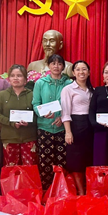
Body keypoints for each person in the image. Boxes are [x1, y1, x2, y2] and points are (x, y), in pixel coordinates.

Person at [32, 54, 72, 189]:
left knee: (62, 161)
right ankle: (46, 190)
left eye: (59, 64)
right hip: (45, 128)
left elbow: (71, 105)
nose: (56, 66)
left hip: (63, 129)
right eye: (53, 63)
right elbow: (35, 103)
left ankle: (61, 189)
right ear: (48, 66)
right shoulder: (40, 83)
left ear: (63, 66)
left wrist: (62, 117)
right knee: (45, 161)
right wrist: (42, 114)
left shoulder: (69, 84)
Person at [0, 65, 37, 166]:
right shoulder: (2, 95)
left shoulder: (33, 95)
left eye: (19, 75)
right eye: (12, 76)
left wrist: (29, 122)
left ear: (25, 79)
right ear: (9, 79)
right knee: (11, 170)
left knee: (30, 170)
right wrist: (11, 123)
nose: (15, 78)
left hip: (29, 138)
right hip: (9, 138)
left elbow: (38, 114)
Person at [61, 60, 94, 194]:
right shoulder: (68, 89)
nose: (81, 72)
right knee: (76, 160)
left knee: (88, 157)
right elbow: (65, 112)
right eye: (78, 69)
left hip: (90, 126)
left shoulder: (93, 90)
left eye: (84, 69)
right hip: (75, 125)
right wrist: (68, 132)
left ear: (89, 72)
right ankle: (81, 191)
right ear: (73, 73)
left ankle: (89, 188)